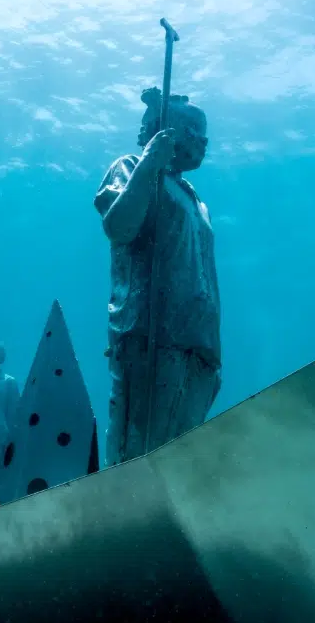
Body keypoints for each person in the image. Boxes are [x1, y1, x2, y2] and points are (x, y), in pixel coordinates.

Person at [95, 86, 221, 466]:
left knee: (177, 460)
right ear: (164, 130)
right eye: (193, 129)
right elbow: (118, 227)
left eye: (204, 132)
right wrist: (150, 162)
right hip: (151, 335)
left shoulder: (196, 199)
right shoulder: (131, 168)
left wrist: (213, 350)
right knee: (138, 453)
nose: (204, 140)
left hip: (197, 344)